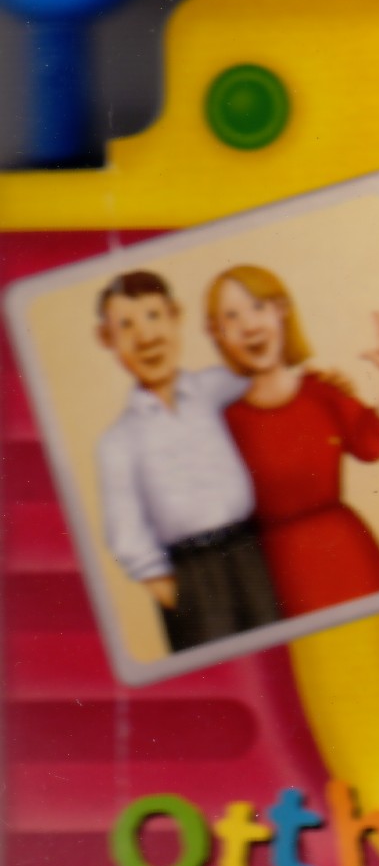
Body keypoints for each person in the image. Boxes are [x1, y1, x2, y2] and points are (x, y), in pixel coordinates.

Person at [204, 264, 379, 617]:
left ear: (281, 311)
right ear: (217, 332)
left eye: (258, 306)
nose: (249, 325)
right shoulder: (223, 423)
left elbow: (371, 442)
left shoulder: (321, 391)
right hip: (276, 574)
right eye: (231, 316)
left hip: (350, 559)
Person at [94, 270, 281, 652]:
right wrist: (169, 589)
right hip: (191, 574)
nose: (146, 336)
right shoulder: (118, 441)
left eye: (153, 316)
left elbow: (268, 385)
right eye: (126, 325)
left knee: (279, 647)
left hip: (250, 552)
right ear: (106, 338)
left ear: (176, 316)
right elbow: (125, 529)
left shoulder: (216, 386)